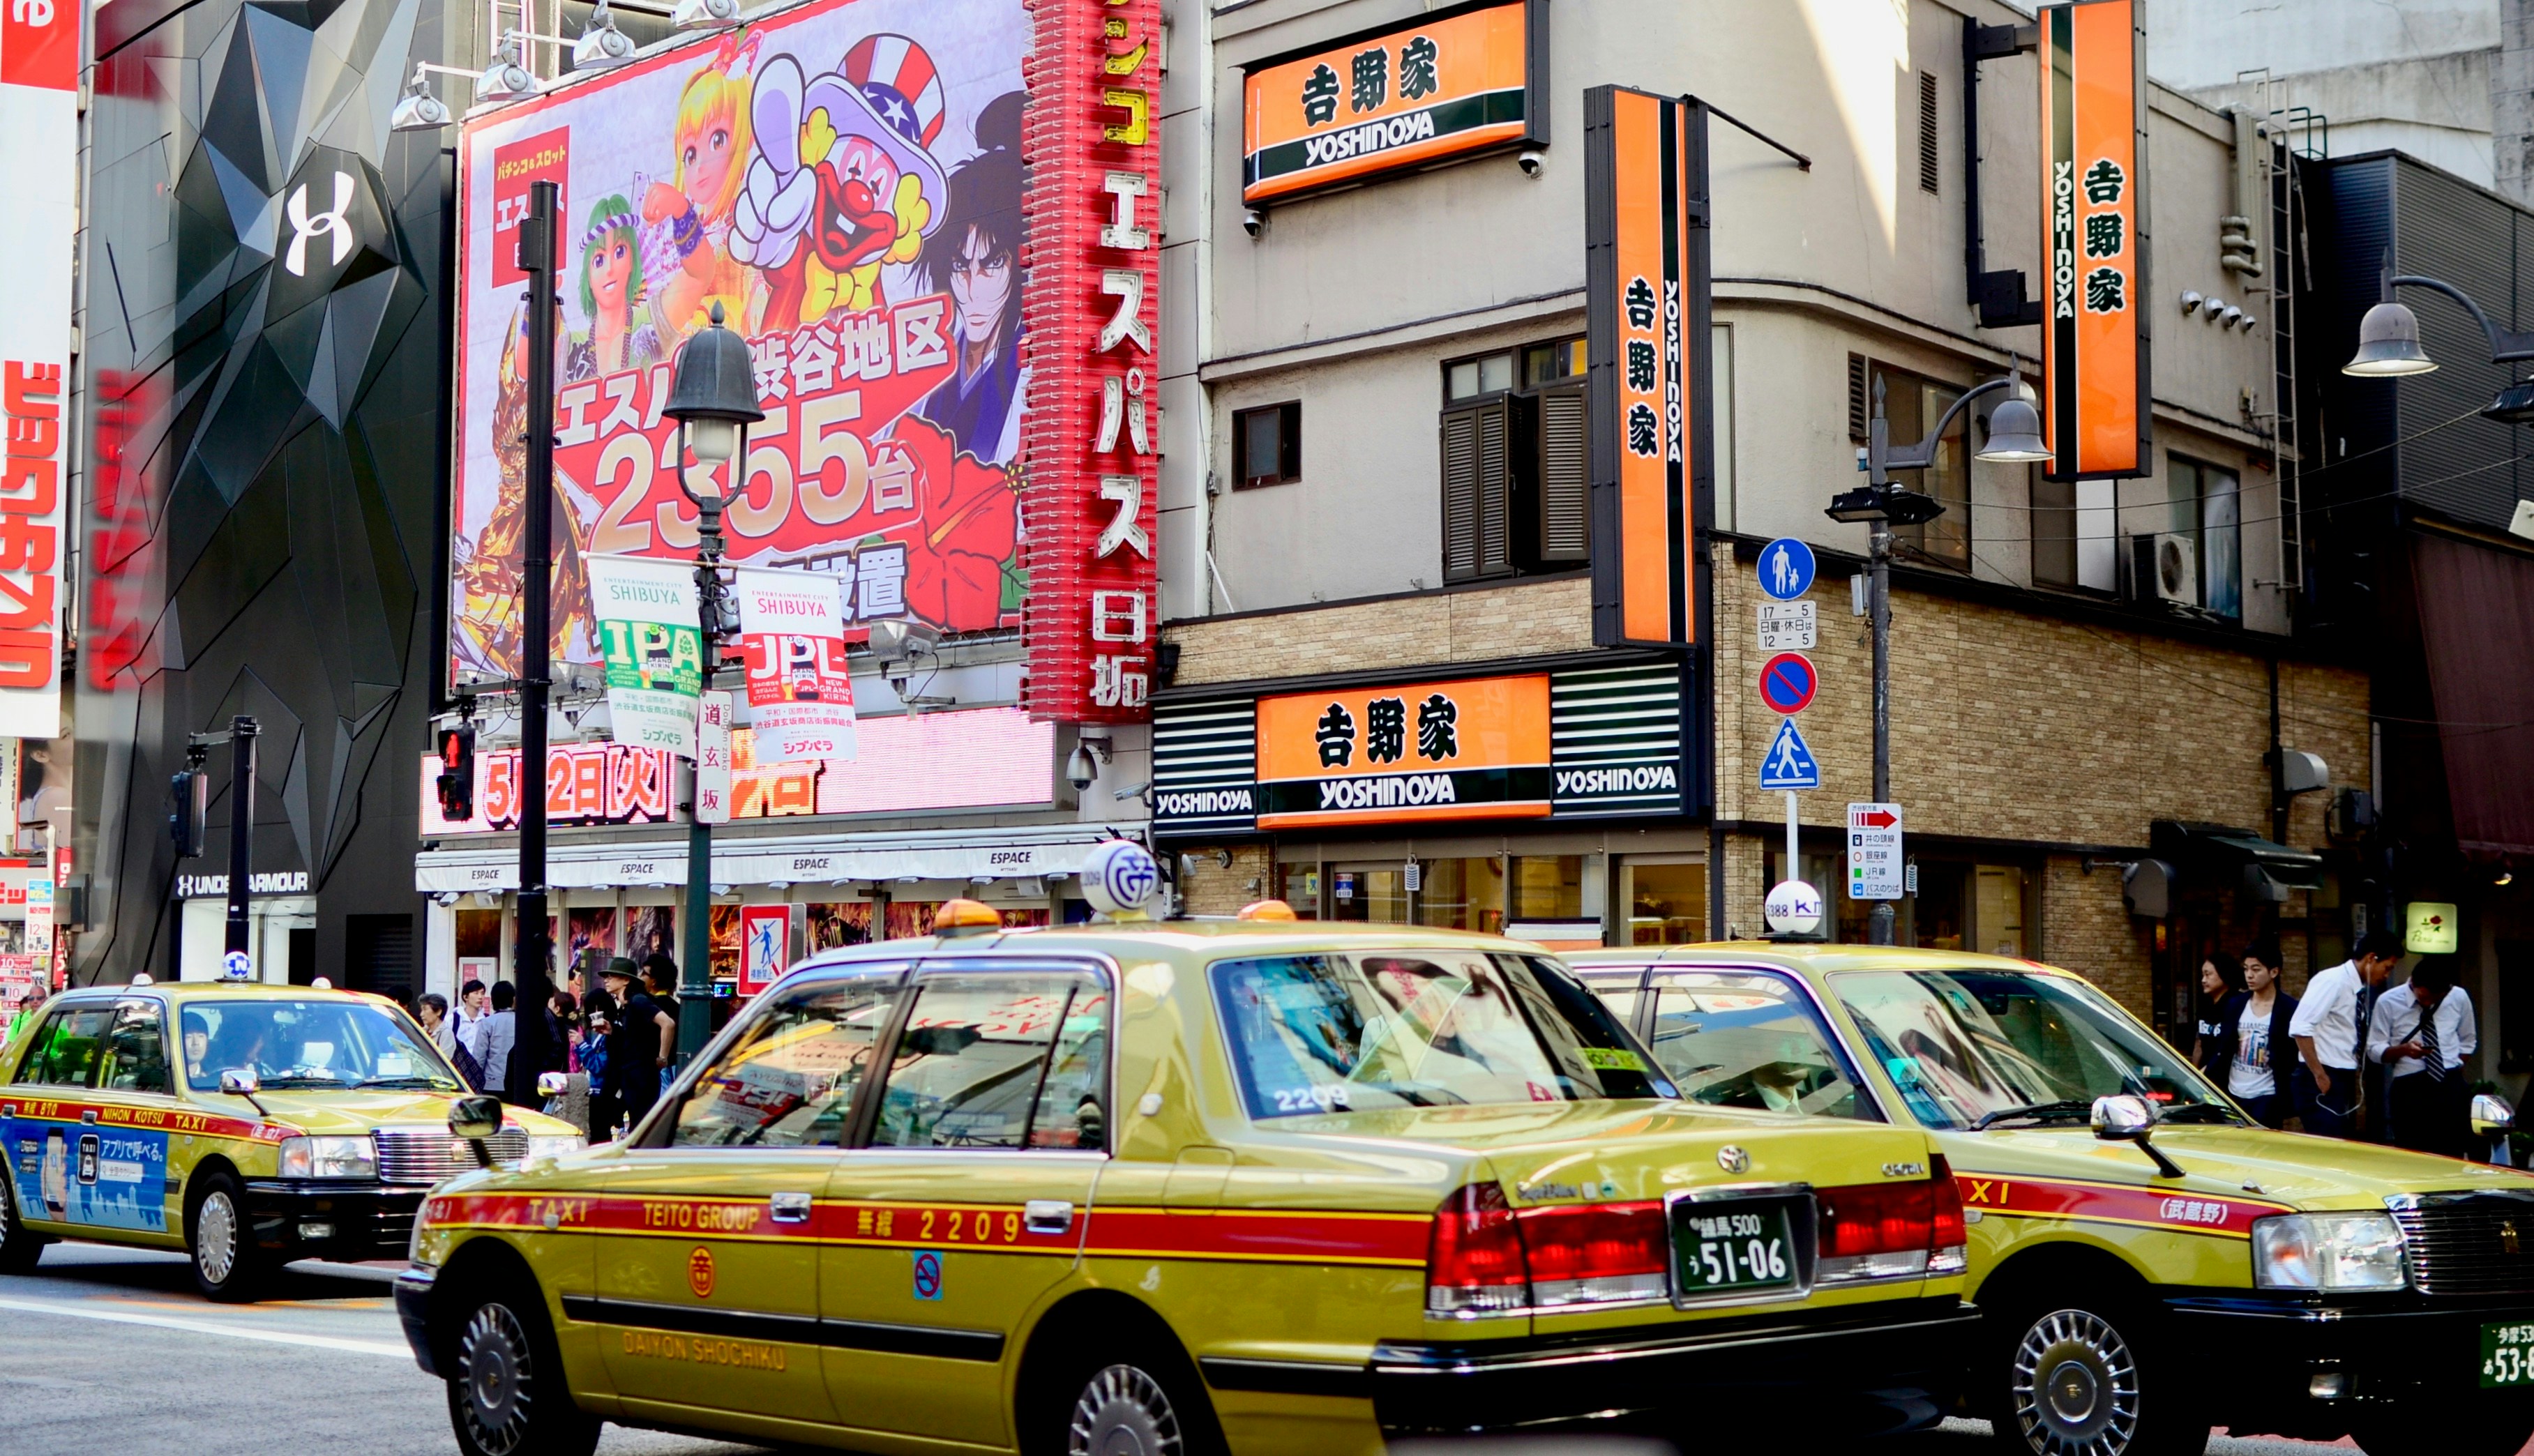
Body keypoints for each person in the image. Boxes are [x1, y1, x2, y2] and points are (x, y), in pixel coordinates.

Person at [2291, 930, 2406, 1139]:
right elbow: (2300, 1027)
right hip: (2322, 1073)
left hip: (2340, 1073)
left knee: (2341, 1141)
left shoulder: (2357, 987)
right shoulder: (2333, 981)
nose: (2387, 975)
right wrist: (2319, 1074)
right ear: (2372, 958)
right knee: (2330, 1145)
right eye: (2387, 968)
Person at [2370, 953, 2478, 1158]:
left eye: (2435, 1000)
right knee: (2413, 1153)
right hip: (2410, 1085)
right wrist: (2404, 1050)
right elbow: (2374, 1049)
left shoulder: (2458, 997)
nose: (2428, 1003)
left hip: (2449, 1081)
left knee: (2453, 1151)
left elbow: (2468, 1040)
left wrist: (2453, 1069)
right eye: (2424, 998)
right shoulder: (2388, 1001)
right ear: (2413, 983)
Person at [2205, 941, 2299, 1129]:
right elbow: (2224, 1048)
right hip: (2233, 1092)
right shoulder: (2236, 1004)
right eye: (2247, 969)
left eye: (2256, 970)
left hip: (2267, 1094)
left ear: (2274, 972)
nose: (2249, 975)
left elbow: (2292, 1054)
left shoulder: (2289, 1009)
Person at [598, 959, 665, 1139]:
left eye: (612, 976)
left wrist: (662, 1058)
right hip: (630, 1074)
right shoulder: (626, 1006)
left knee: (640, 1127)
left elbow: (668, 1023)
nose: (607, 980)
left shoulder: (638, 1000)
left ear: (626, 980)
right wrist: (612, 1030)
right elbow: (635, 1036)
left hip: (641, 1075)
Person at [642, 953, 683, 1099]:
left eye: (644, 973)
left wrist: (662, 1057)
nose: (640, 977)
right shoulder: (678, 1007)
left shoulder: (649, 1007)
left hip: (661, 1072)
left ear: (654, 981)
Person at [2188, 957, 2238, 1072]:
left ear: (2224, 974)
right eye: (2203, 975)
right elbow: (2199, 1043)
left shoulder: (2237, 1004)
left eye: (2208, 975)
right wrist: (2194, 1074)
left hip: (2228, 1075)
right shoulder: (2205, 1004)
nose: (2203, 980)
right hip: (2205, 1076)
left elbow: (2229, 1048)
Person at [479, 981, 519, 1101]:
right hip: (515, 1083)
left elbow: (479, 1057)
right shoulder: (522, 1022)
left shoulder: (487, 1023)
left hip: (491, 1083)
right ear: (513, 999)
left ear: (493, 1000)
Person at [416, 992, 455, 1056]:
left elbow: (444, 1060)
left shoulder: (446, 1034)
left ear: (439, 1011)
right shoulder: (422, 1031)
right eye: (421, 1010)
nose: (421, 1014)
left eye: (425, 1009)